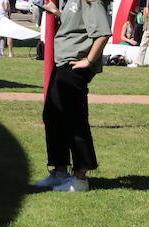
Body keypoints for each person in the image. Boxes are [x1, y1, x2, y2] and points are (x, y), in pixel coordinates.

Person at [33, 0, 112, 192]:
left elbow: (103, 32)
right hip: (63, 63)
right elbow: (77, 24)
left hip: (73, 65)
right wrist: (56, 12)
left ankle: (80, 179)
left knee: (74, 120)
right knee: (53, 116)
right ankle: (60, 172)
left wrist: (88, 60)